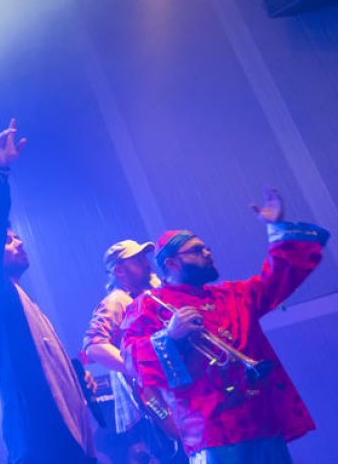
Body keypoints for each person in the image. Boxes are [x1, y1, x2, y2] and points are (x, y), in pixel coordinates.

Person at [121, 187, 328, 463]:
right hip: (211, 433)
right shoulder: (147, 306)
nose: (207, 252)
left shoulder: (232, 295)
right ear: (171, 263)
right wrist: (168, 337)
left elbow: (279, 278)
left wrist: (277, 228)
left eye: (206, 247)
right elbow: (131, 358)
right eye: (196, 251)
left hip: (261, 421)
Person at [0, 119, 96, 464]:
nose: (18, 241)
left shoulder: (21, 301)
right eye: (7, 239)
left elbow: (39, 356)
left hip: (66, 439)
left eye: (16, 236)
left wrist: (76, 375)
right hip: (40, 445)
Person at [82, 240, 182, 464]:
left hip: (172, 383)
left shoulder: (150, 293)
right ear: (119, 271)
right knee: (177, 444)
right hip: (153, 393)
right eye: (137, 260)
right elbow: (94, 345)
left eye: (144, 258)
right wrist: (138, 367)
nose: (146, 264)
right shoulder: (117, 301)